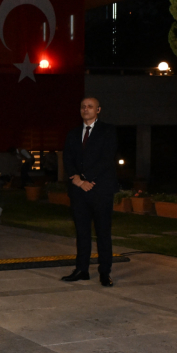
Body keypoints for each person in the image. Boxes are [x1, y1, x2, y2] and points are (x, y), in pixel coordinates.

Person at [61, 96, 118, 287]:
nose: (86, 109)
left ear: (98, 110)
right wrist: (77, 180)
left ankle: (104, 272)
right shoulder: (73, 133)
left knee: (103, 233)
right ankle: (81, 270)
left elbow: (107, 159)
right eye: (83, 106)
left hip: (100, 190)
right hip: (79, 191)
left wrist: (87, 179)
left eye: (90, 106)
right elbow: (67, 159)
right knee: (82, 233)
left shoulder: (108, 131)